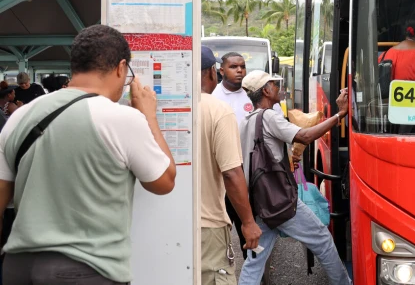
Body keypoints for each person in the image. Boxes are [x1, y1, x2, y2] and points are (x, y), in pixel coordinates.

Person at [0, 24, 176, 285]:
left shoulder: (20, 116)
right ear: (120, 67)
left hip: (19, 266)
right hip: (86, 269)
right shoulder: (121, 118)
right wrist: (149, 115)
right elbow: (164, 181)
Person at [238, 70, 352, 285]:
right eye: (274, 84)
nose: (278, 88)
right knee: (322, 239)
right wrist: (340, 114)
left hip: (260, 200)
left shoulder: (246, 121)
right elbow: (305, 135)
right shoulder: (269, 116)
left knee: (255, 259)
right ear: (266, 90)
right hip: (280, 200)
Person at [199, 46, 261, 285]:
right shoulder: (217, 106)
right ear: (215, 72)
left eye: (242, 66)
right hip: (222, 195)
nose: (239, 71)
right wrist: (248, 221)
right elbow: (231, 172)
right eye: (233, 66)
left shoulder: (249, 95)